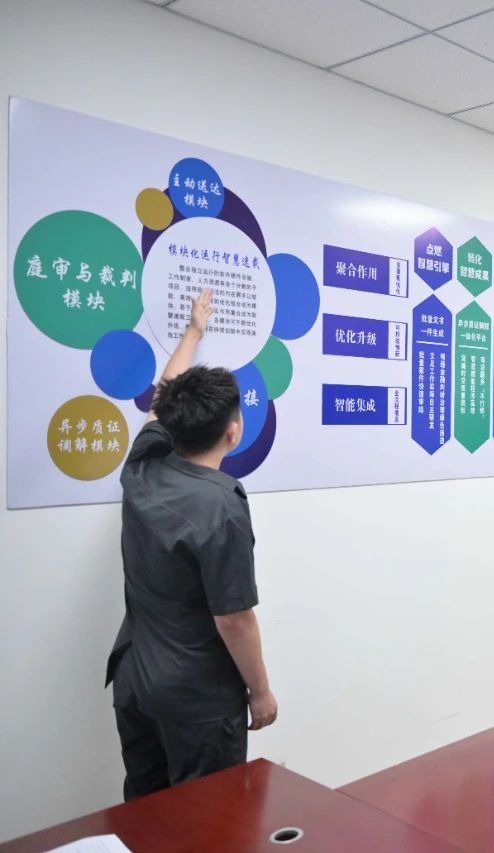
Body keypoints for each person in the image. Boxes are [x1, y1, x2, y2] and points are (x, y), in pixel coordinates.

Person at [105, 288, 277, 801]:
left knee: (146, 810)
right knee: (207, 821)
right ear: (234, 432)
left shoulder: (142, 466)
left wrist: (193, 333)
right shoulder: (220, 503)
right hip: (196, 698)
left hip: (136, 680)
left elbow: (163, 399)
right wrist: (261, 692)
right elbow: (235, 618)